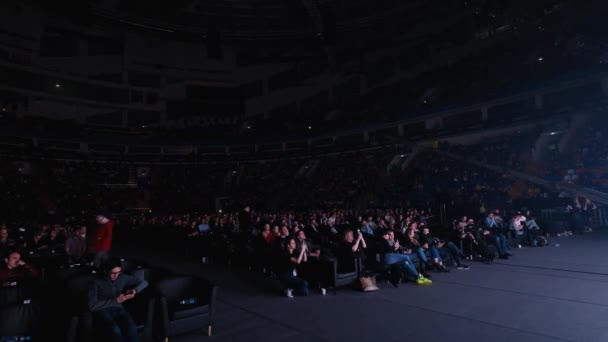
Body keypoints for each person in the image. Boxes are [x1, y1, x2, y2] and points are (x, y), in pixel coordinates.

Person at [88, 258, 148, 342]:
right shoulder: (96, 282)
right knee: (115, 330)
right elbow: (92, 306)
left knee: (131, 326)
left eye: (118, 273)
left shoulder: (122, 277)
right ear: (106, 271)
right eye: (113, 273)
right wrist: (116, 300)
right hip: (102, 311)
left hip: (118, 309)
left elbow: (144, 282)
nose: (116, 276)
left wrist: (134, 291)